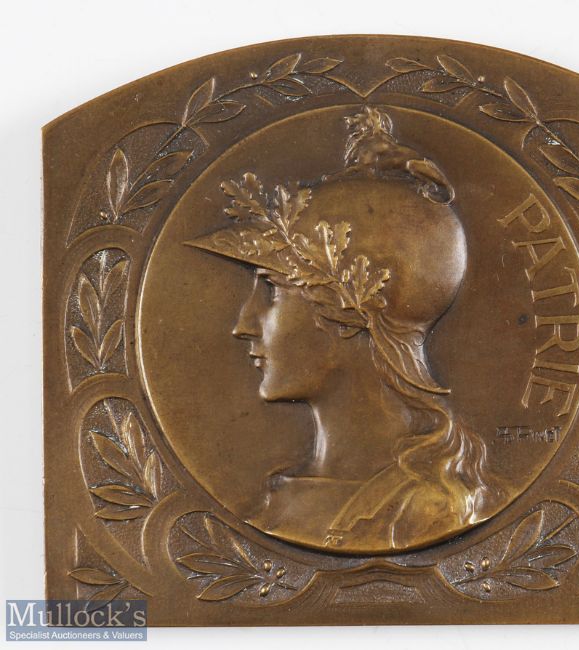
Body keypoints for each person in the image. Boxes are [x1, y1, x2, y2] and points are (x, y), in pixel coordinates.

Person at [188, 107, 502, 553]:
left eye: (273, 291)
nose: (244, 325)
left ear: (350, 310)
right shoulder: (284, 499)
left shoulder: (430, 511)